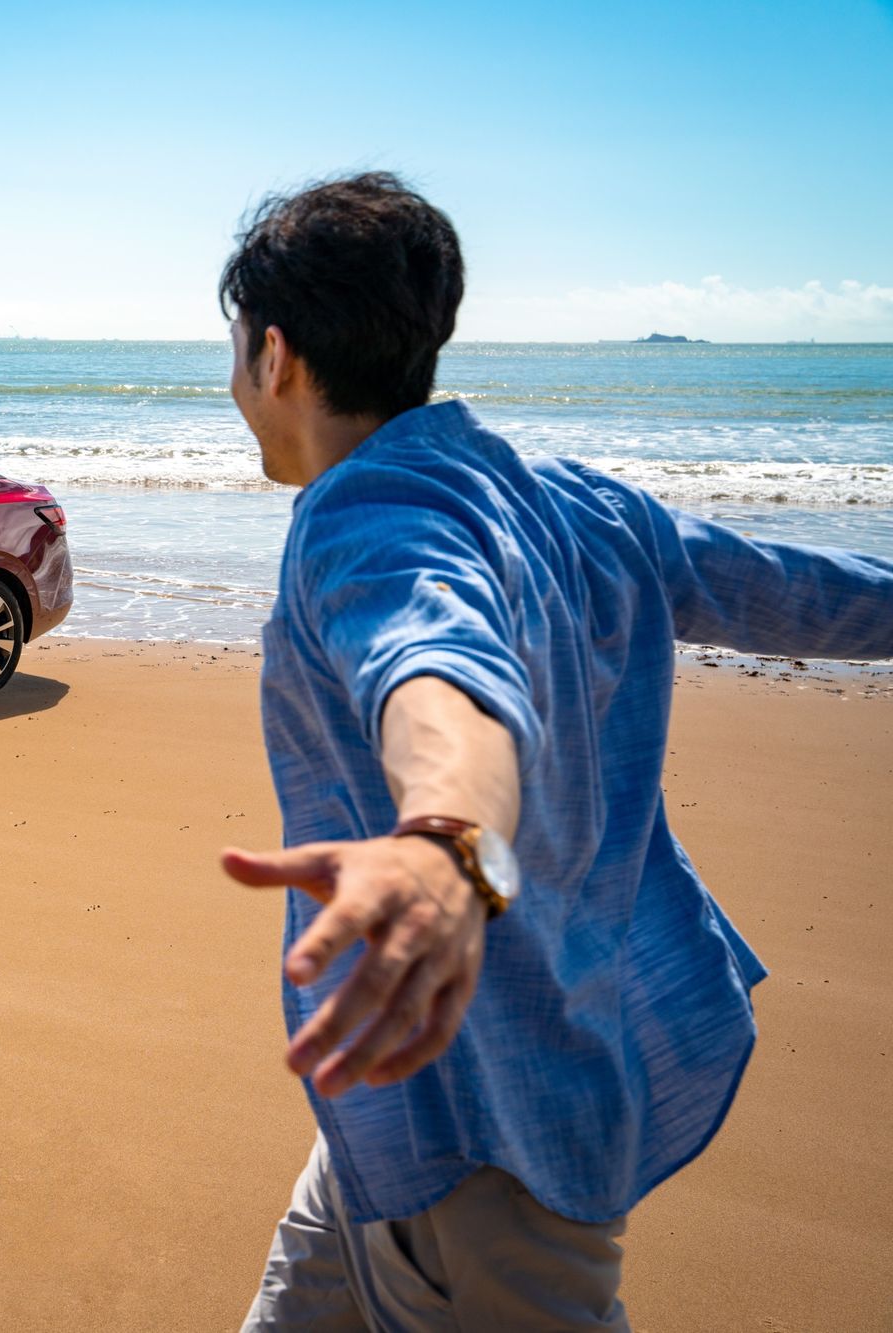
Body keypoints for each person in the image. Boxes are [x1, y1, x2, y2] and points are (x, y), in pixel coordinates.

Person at [217, 173, 893, 1330]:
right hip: (413, 1098)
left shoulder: (363, 520)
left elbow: (439, 672)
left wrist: (445, 839)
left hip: (489, 1132)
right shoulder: (577, 504)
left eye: (233, 350)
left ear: (273, 355)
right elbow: (797, 591)